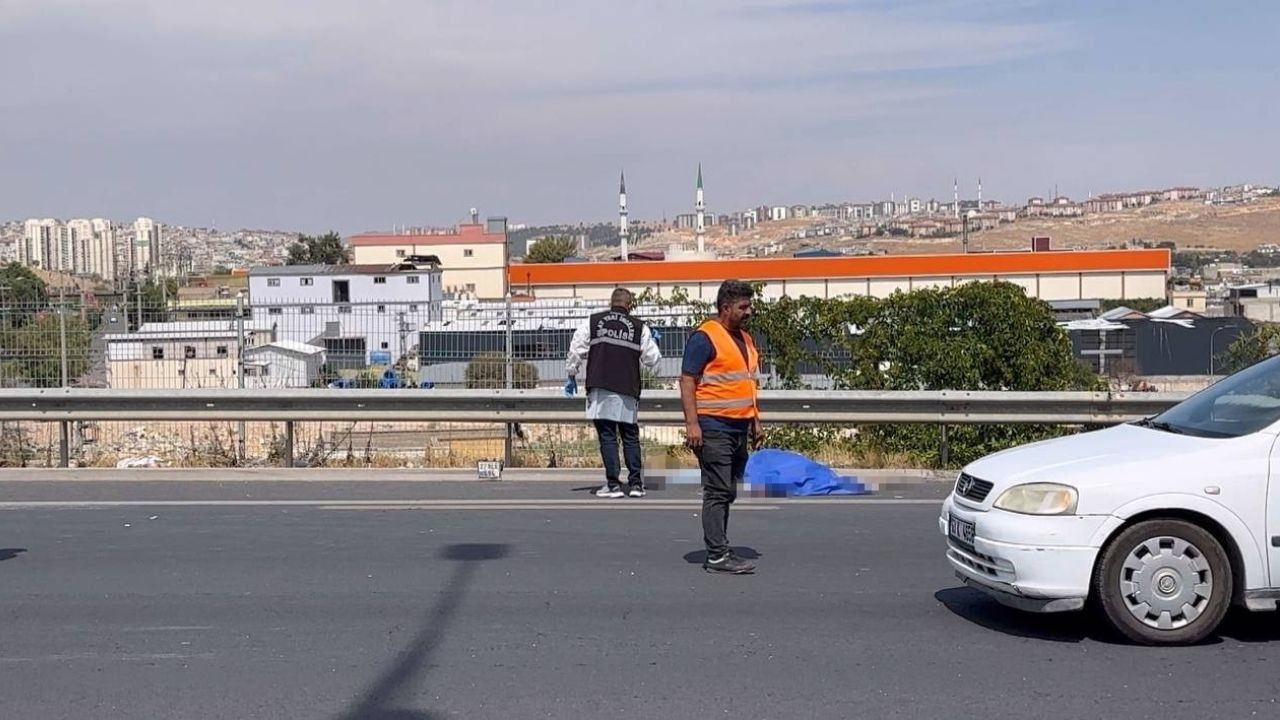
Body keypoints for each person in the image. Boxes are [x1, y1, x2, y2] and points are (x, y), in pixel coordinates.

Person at [680, 279, 764, 575]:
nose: (749, 311)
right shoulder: (705, 338)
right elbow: (687, 380)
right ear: (725, 308)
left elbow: (746, 382)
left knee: (727, 489)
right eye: (743, 307)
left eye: (749, 305)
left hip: (738, 426)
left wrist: (755, 419)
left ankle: (720, 547)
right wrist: (692, 424)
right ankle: (717, 554)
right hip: (713, 426)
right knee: (717, 490)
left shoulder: (745, 339)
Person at [566, 288, 662, 498]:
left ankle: (613, 485)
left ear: (611, 303)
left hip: (600, 387)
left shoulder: (593, 322)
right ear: (629, 305)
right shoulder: (639, 328)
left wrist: (571, 373)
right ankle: (636, 484)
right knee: (630, 436)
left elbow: (576, 348)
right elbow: (653, 360)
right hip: (627, 388)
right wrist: (655, 344)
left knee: (607, 436)